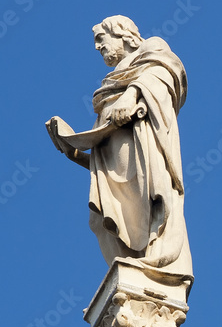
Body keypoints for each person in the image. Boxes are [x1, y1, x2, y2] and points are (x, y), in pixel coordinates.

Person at [47, 15, 192, 282]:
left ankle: (153, 260)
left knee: (148, 198)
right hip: (115, 148)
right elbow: (103, 162)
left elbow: (167, 73)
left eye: (101, 39)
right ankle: (128, 266)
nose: (98, 47)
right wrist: (73, 151)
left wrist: (132, 94)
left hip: (141, 142)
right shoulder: (110, 84)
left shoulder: (151, 48)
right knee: (99, 218)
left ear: (122, 34)